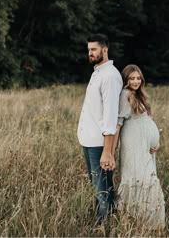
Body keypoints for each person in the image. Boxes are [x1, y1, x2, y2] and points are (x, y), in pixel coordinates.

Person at [112, 64, 165, 229]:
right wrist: (110, 151)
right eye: (131, 78)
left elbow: (147, 122)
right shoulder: (125, 95)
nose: (136, 81)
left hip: (145, 147)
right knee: (141, 180)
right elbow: (118, 124)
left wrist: (155, 142)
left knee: (147, 180)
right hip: (133, 145)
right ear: (126, 80)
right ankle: (134, 221)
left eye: (138, 78)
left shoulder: (139, 95)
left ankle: (147, 223)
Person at [77, 34, 123, 221]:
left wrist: (107, 151)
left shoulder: (110, 76)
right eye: (89, 50)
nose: (90, 53)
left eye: (94, 49)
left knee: (102, 190)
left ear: (105, 49)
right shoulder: (97, 73)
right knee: (97, 188)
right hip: (88, 140)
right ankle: (102, 221)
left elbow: (110, 117)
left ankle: (104, 228)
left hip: (99, 144)